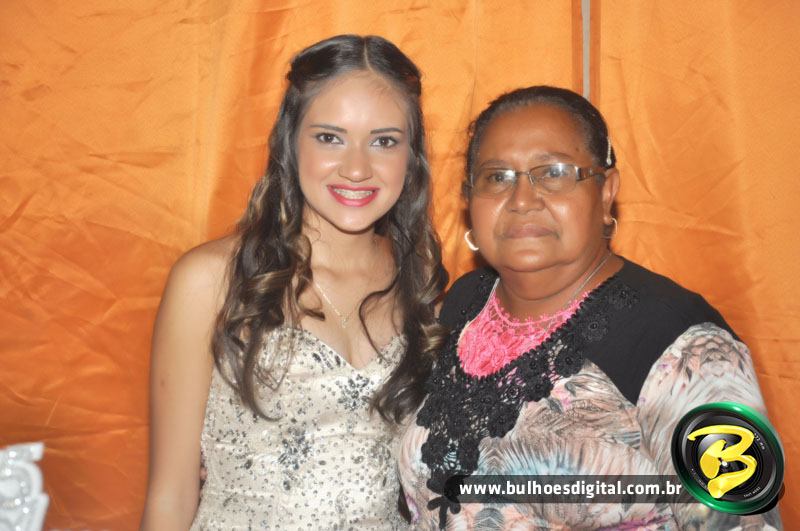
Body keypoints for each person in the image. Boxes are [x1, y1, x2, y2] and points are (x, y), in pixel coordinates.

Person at [397, 86, 782, 529]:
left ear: (605, 192)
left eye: (554, 173)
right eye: (497, 177)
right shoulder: (465, 303)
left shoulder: (684, 346)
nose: (521, 200)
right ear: (470, 199)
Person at [140, 34, 447, 529]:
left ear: (411, 156)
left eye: (384, 141)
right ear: (290, 140)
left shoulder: (423, 281)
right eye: (329, 137)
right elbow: (170, 496)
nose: (356, 168)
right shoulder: (210, 280)